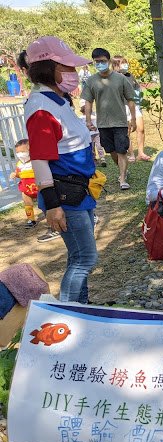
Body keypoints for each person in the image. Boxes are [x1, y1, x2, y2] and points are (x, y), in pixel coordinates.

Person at [24, 36, 98, 302]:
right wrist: (53, 205)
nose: (74, 73)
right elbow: (40, 159)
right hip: (65, 194)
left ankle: (82, 308)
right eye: (67, 67)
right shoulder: (42, 108)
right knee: (85, 258)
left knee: (79, 256)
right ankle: (68, 316)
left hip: (80, 190)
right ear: (47, 68)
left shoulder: (59, 100)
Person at [81, 47, 136, 190]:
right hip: (103, 123)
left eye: (103, 61)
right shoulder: (92, 81)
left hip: (120, 121)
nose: (100, 63)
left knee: (122, 150)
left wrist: (133, 119)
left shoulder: (120, 78)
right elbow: (88, 101)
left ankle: (123, 179)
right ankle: (124, 171)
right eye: (97, 61)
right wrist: (88, 121)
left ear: (109, 61)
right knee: (112, 151)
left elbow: (130, 99)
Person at [111, 55, 152, 162]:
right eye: (122, 63)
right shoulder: (113, 78)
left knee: (141, 128)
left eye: (125, 62)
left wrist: (138, 97)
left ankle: (141, 153)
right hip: (122, 106)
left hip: (134, 105)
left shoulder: (130, 76)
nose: (125, 65)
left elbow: (137, 88)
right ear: (116, 65)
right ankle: (131, 154)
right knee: (127, 131)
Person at [10, 139, 39, 228]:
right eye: (18, 152)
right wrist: (15, 174)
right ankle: (31, 219)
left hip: (38, 187)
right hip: (26, 188)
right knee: (27, 204)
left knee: (46, 203)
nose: (20, 154)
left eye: (23, 151)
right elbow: (20, 173)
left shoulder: (35, 162)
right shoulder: (19, 164)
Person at [79, 100, 106, 167]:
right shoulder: (82, 117)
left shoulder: (94, 115)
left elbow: (96, 118)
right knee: (92, 147)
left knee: (99, 146)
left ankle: (102, 158)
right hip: (88, 135)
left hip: (96, 134)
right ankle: (94, 158)